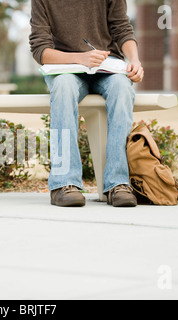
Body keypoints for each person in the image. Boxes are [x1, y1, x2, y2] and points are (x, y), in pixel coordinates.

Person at [29, 0, 144, 208]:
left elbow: (122, 29)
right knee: (63, 86)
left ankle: (118, 184)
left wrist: (134, 60)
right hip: (66, 69)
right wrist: (80, 58)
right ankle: (64, 184)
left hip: (107, 68)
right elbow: (40, 50)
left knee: (122, 87)